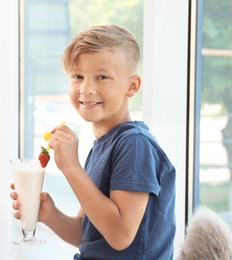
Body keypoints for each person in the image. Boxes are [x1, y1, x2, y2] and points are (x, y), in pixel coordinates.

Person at [10, 24, 176, 259]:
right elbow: (88, 235)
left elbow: (119, 235)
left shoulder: (135, 145)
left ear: (132, 85)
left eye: (102, 77)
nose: (86, 89)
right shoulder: (104, 145)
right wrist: (51, 215)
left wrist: (70, 166)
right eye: (78, 76)